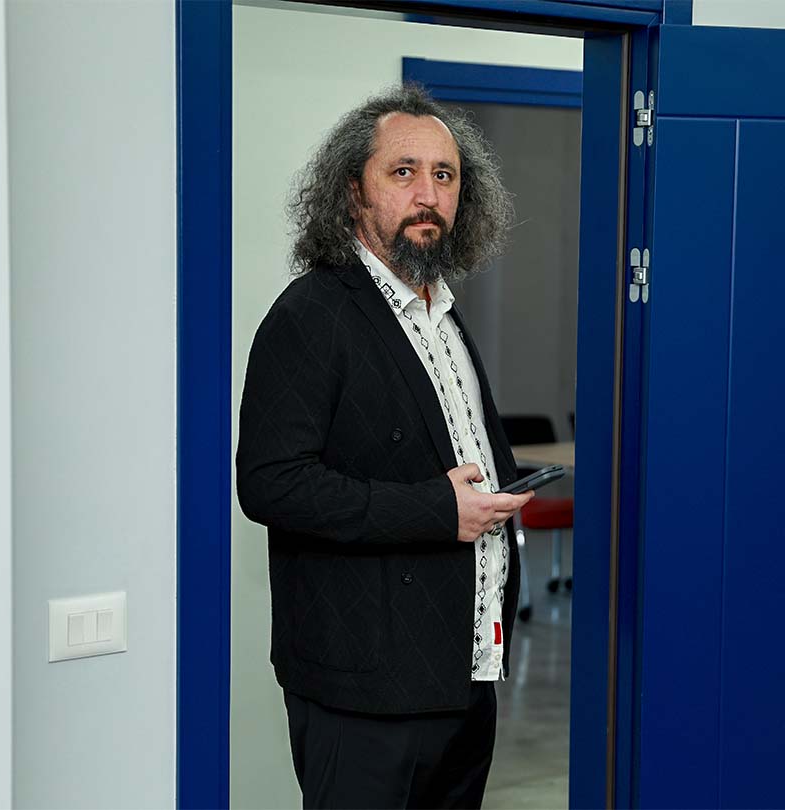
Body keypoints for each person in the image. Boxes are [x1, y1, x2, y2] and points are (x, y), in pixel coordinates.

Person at [236, 84, 534, 810]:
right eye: (403, 172)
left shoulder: (444, 316)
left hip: (466, 671)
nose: (427, 194)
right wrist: (438, 511)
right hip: (364, 691)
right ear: (352, 193)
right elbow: (271, 483)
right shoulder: (311, 314)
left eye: (445, 175)